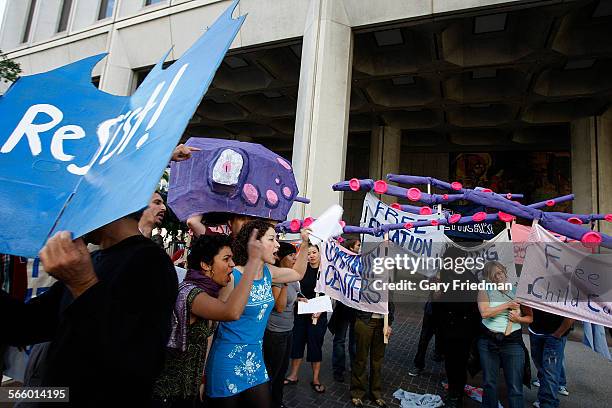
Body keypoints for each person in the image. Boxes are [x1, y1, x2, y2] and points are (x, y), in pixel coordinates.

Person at [0, 211, 178, 406]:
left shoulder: (150, 261)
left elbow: (134, 366)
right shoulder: (92, 259)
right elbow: (28, 324)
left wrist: (83, 284)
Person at [205, 220, 311, 407]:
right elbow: (211, 325)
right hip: (227, 362)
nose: (277, 244)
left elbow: (298, 274)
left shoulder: (270, 273)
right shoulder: (234, 276)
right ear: (254, 243)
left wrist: (305, 242)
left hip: (255, 360)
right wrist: (202, 373)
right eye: (272, 239)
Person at [153, 234, 262, 407]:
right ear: (205, 265)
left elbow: (205, 341)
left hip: (188, 391)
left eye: (232, 259)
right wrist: (253, 264)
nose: (232, 265)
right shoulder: (190, 293)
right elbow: (232, 312)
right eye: (226, 259)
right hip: (169, 394)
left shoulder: (209, 293)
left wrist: (202, 377)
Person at [477, 261, 533, 408]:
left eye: (500, 273)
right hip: (488, 342)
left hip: (512, 342)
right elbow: (485, 313)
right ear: (488, 278)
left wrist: (518, 319)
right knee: (489, 383)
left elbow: (530, 317)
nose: (498, 277)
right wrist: (507, 305)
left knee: (515, 386)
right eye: (493, 275)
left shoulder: (517, 292)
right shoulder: (485, 290)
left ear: (505, 273)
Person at [432, 246, 481, 408]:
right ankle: (454, 392)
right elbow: (437, 302)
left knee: (458, 364)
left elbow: (473, 307)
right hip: (449, 329)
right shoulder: (446, 275)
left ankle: (455, 396)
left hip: (462, 330)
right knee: (452, 363)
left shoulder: (469, 278)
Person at [284, 243, 327, 393]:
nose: (311, 256)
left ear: (320, 252)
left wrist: (321, 310)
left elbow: (331, 293)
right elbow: (293, 288)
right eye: (308, 253)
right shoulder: (302, 269)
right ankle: (294, 374)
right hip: (301, 312)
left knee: (315, 345)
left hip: (318, 315)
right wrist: (296, 299)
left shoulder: (325, 271)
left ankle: (315, 378)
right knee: (297, 343)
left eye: (314, 252)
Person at [263, 242, 301, 408]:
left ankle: (277, 402)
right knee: (273, 372)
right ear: (280, 258)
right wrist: (284, 283)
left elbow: (292, 298)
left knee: (281, 371)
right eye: (291, 255)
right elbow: (279, 306)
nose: (295, 258)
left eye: (295, 255)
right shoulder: (278, 280)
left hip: (288, 329)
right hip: (275, 332)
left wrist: (300, 299)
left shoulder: (292, 277)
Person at [350, 300, 395, 408]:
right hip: (364, 320)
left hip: (381, 323)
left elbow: (391, 301)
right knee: (361, 358)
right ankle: (357, 393)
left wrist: (388, 323)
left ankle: (376, 393)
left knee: (377, 360)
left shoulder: (387, 282)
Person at [529, 310, 574, 408]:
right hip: (536, 330)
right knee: (542, 368)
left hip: (555, 333)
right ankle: (544, 398)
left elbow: (574, 311)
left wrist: (558, 334)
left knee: (550, 372)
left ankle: (547, 403)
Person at [329, 237, 359, 382]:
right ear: (352, 247)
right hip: (343, 308)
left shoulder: (360, 261)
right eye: (358, 245)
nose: (360, 247)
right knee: (340, 340)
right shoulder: (343, 261)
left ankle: (352, 366)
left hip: (355, 309)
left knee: (353, 341)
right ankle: (338, 369)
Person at [408, 276, 443, 377]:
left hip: (445, 314)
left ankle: (439, 355)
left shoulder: (453, 276)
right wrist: (435, 285)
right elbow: (434, 294)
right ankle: (418, 365)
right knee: (424, 339)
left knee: (443, 341)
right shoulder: (435, 272)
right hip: (431, 312)